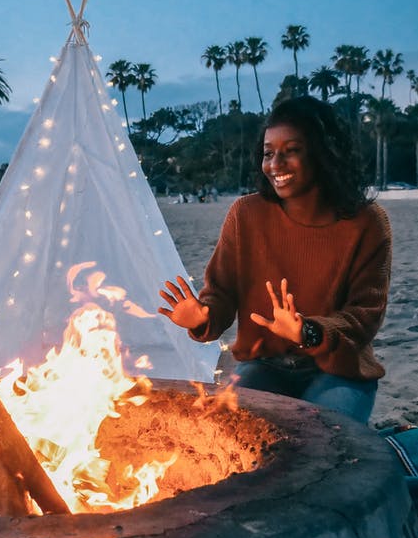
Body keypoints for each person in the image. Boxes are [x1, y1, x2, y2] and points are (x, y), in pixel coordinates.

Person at [158, 95, 391, 424]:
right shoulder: (246, 214)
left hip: (339, 370)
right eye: (269, 153)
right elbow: (222, 292)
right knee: (234, 435)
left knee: (320, 440)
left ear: (323, 153)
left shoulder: (366, 221)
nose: (275, 165)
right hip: (263, 365)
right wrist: (202, 317)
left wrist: (306, 331)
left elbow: (365, 317)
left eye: (291, 151)